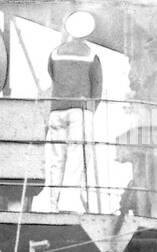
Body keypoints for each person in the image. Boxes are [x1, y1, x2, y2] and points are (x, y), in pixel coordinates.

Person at [42, 11, 102, 212]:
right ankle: (68, 204)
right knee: (76, 159)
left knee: (56, 159)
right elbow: (97, 88)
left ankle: (52, 205)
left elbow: (52, 74)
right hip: (80, 111)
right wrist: (90, 111)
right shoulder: (92, 56)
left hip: (56, 110)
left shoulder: (55, 53)